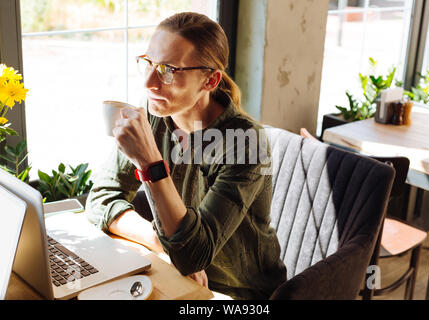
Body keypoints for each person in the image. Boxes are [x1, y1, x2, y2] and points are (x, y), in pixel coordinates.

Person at [86, 12, 286, 300]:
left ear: (210, 80)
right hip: (173, 270)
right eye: (149, 64)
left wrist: (150, 164)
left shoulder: (245, 143)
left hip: (238, 292)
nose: (149, 83)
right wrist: (158, 240)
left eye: (168, 70)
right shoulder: (155, 115)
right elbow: (101, 197)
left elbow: (193, 256)